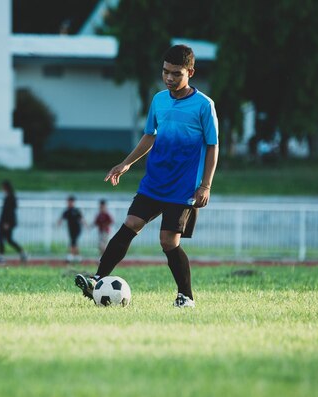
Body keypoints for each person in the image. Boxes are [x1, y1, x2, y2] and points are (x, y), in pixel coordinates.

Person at [74, 45, 219, 308]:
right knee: (130, 223)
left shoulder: (204, 105)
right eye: (165, 72)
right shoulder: (159, 100)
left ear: (191, 72)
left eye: (176, 73)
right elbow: (150, 135)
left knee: (168, 241)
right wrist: (126, 163)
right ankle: (98, 279)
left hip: (183, 186)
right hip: (154, 182)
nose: (169, 78)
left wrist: (205, 185)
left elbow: (212, 146)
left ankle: (186, 296)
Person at [0, 180, 27, 264]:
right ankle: (21, 253)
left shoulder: (10, 197)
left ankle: (2, 257)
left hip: (7, 222)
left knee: (5, 239)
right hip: (5, 221)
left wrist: (7, 223)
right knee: (7, 239)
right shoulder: (9, 196)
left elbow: (10, 211)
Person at [57, 195, 86, 262]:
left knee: (74, 241)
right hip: (70, 229)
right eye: (68, 202)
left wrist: (86, 226)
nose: (69, 203)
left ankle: (71, 256)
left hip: (77, 229)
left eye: (70, 202)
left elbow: (81, 219)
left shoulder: (76, 210)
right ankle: (77, 256)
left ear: (73, 202)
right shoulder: (67, 211)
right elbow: (61, 219)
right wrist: (58, 224)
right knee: (73, 242)